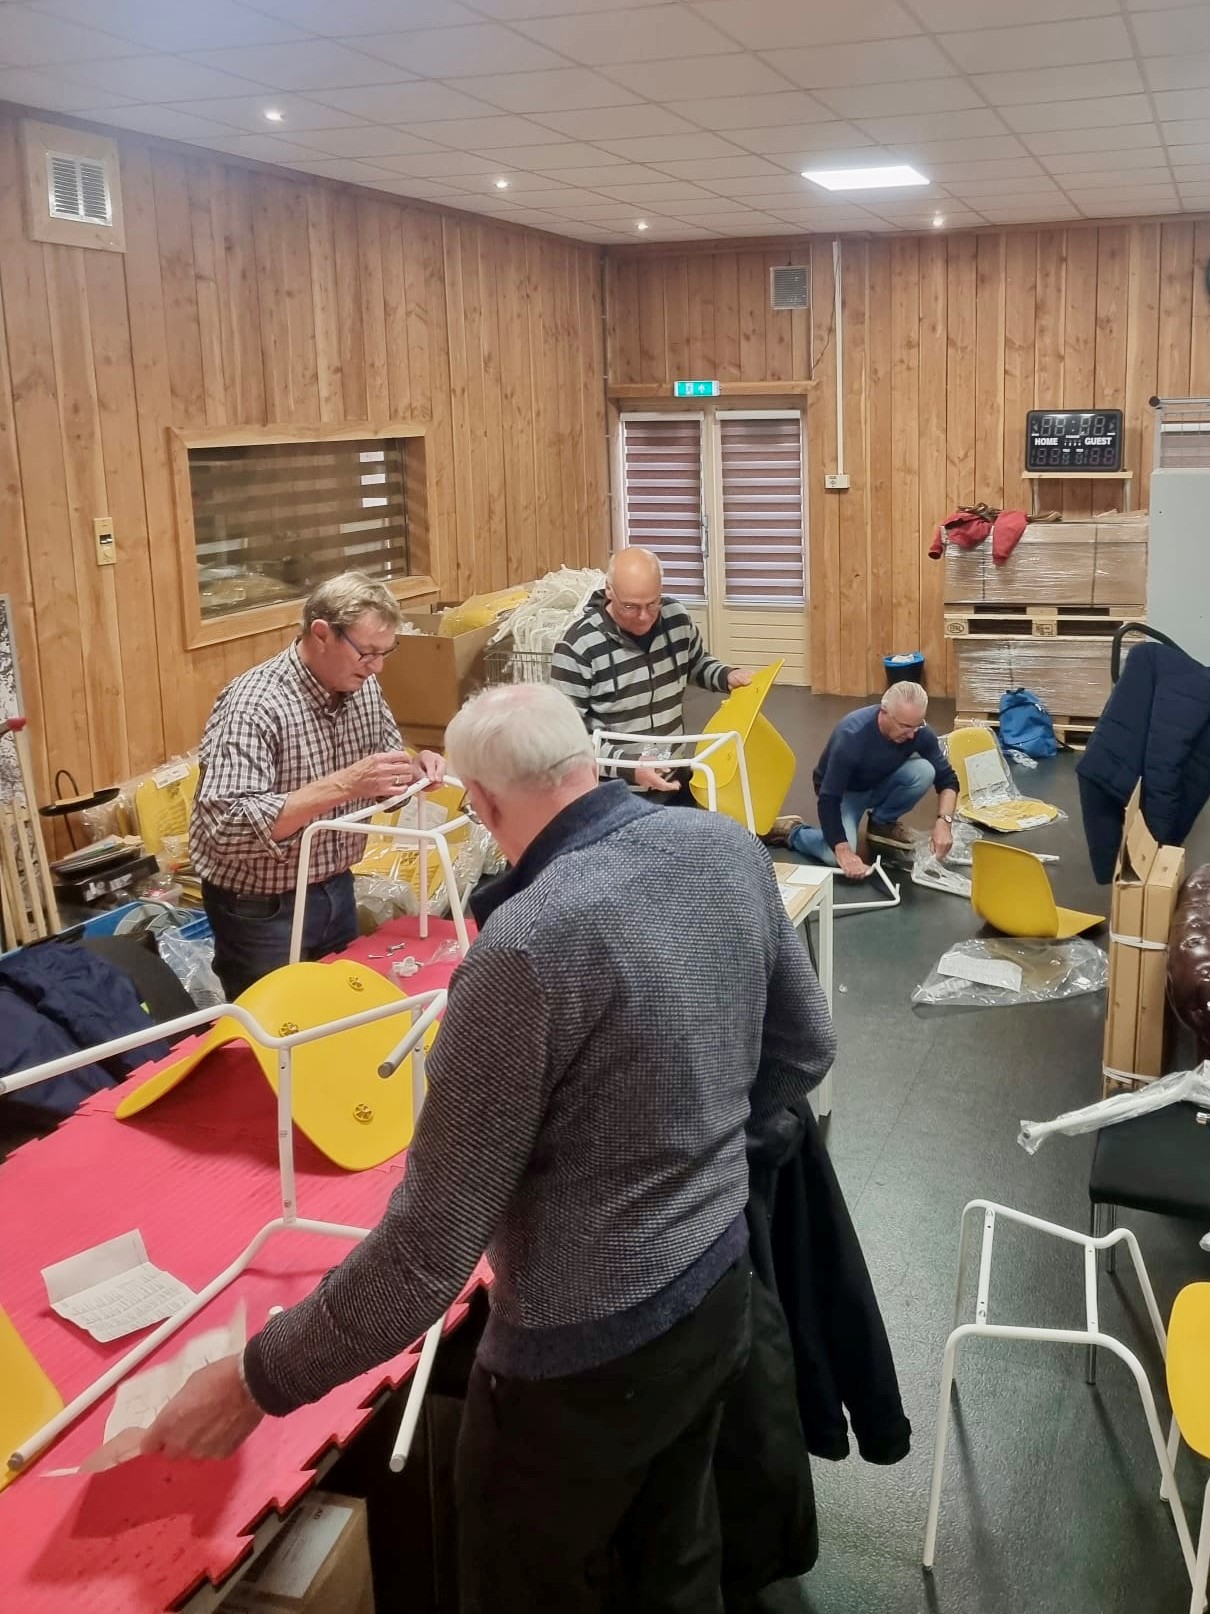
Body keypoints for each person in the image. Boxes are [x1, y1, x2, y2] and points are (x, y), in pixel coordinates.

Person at [141, 682, 835, 1614]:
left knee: (526, 1586)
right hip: (715, 1289)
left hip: (578, 1359)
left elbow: (428, 1258)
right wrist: (696, 1156)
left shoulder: (523, 948)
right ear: (584, 760)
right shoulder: (722, 844)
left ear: (482, 803)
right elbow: (803, 1048)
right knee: (675, 1559)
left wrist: (254, 1379)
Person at [190, 572, 443, 1000]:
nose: (377, 666)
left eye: (386, 653)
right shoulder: (254, 703)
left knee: (337, 1015)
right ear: (321, 633)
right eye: (367, 652)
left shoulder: (363, 685)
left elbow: (379, 773)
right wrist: (345, 784)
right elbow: (229, 827)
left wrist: (412, 771)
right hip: (261, 906)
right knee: (278, 1034)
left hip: (335, 883)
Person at [551, 546, 752, 801]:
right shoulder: (578, 646)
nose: (644, 617)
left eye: (653, 603)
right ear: (609, 590)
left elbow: (696, 662)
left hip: (675, 773)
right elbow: (565, 741)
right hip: (615, 790)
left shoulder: (676, 618)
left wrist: (726, 676)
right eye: (630, 607)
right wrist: (630, 767)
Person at [769, 681, 959, 879]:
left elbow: (948, 779)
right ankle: (793, 832)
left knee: (925, 770)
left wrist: (944, 822)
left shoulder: (918, 732)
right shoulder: (852, 736)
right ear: (884, 712)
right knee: (833, 855)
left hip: (878, 781)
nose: (912, 734)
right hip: (845, 795)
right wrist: (843, 851)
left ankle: (882, 823)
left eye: (917, 725)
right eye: (904, 726)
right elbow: (828, 799)